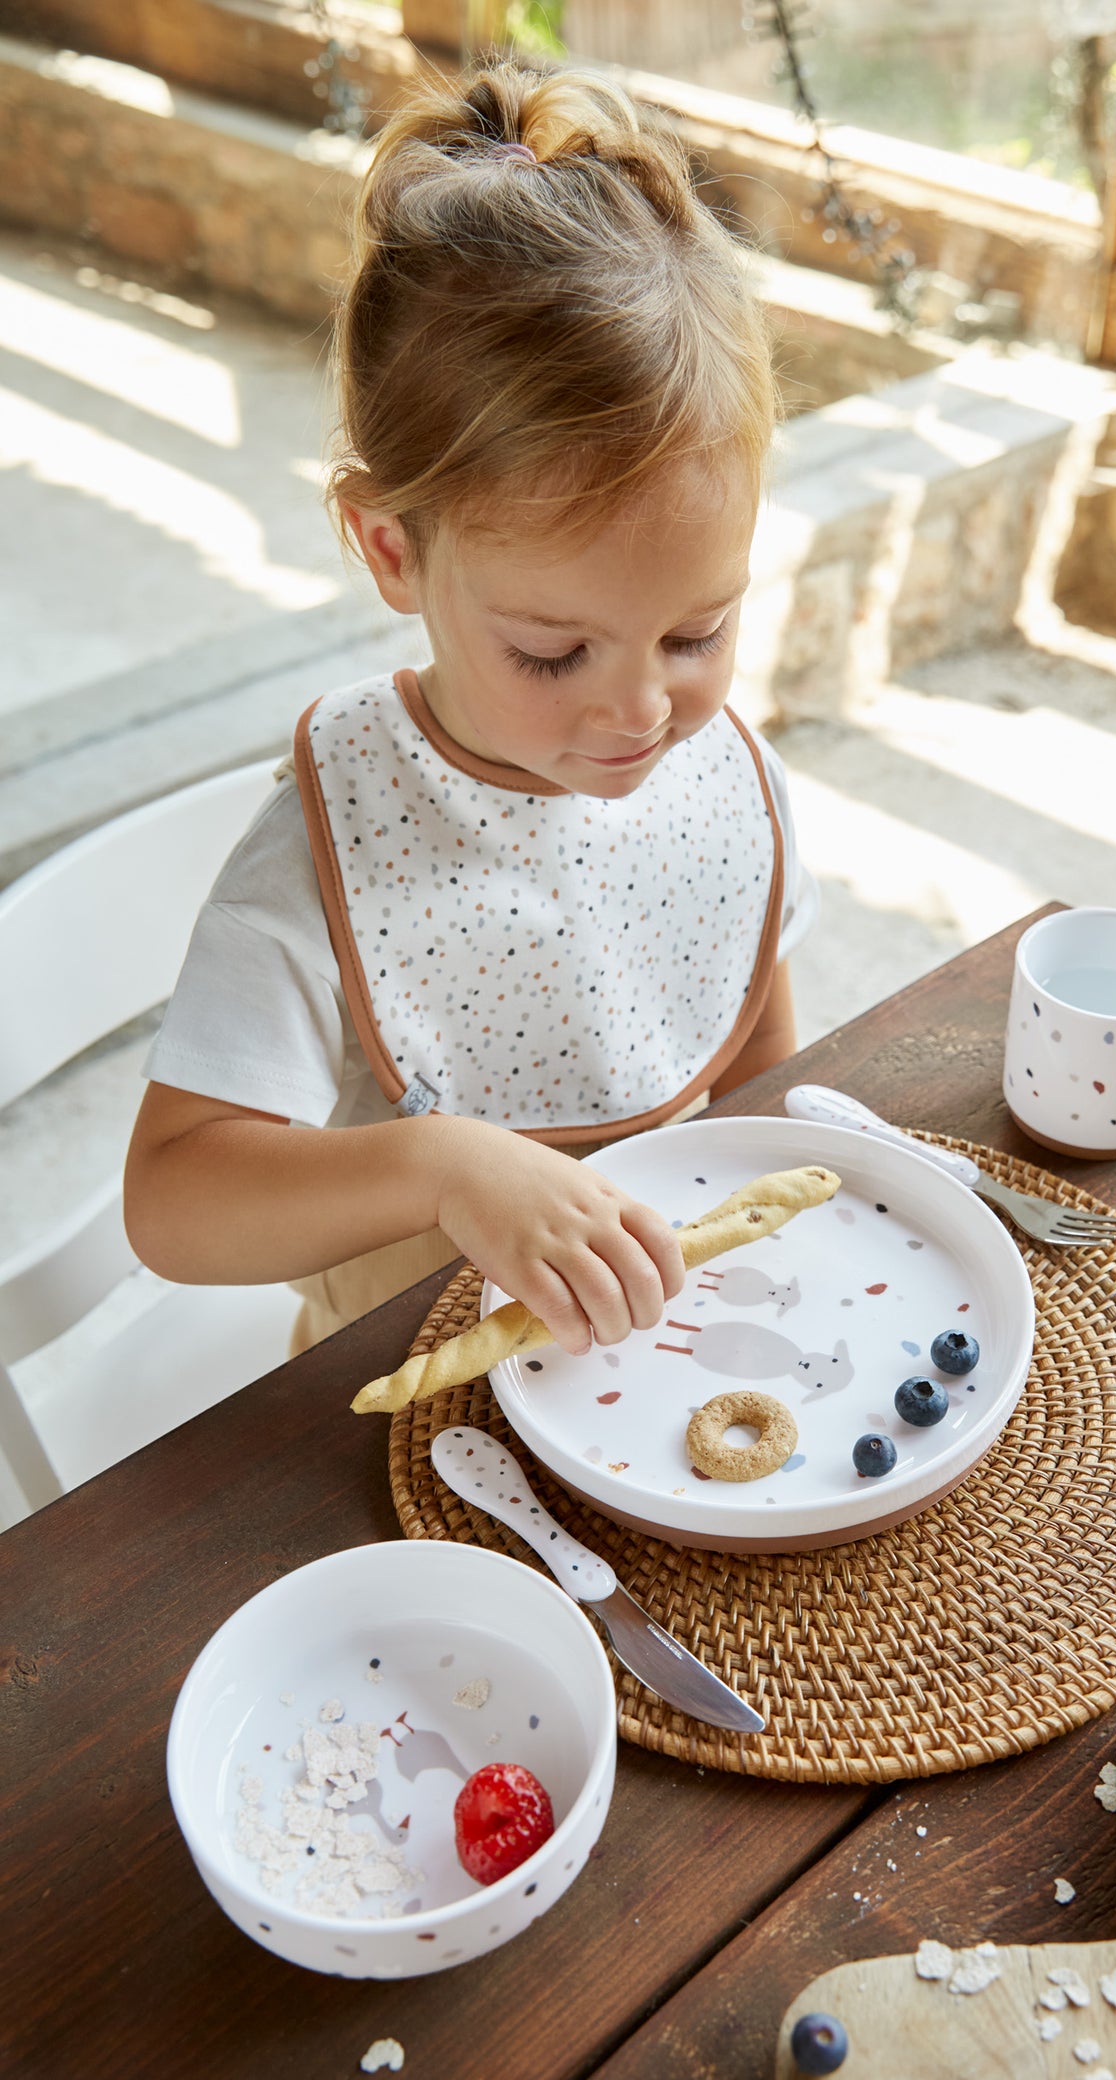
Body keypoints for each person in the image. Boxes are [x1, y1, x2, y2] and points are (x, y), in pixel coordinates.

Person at [124, 61, 813, 1361]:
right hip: (406, 1401)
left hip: (650, 1366)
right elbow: (171, 1206)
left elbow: (750, 1053)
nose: (643, 706)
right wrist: (440, 1168)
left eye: (696, 631)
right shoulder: (328, 857)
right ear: (390, 553)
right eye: (554, 652)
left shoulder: (719, 779)